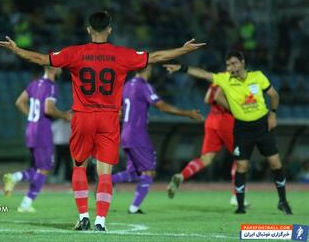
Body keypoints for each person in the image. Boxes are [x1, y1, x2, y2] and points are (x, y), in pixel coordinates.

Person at [0, 11, 205, 231]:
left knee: (79, 167)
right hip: (109, 119)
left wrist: (16, 49)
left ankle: (84, 216)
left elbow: (40, 59)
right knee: (105, 173)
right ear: (110, 30)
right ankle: (100, 221)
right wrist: (183, 50)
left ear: (88, 29)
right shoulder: (121, 54)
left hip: (83, 118)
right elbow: (155, 57)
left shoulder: (75, 53)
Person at [165, 50, 292, 215]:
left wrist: (273, 114)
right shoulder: (225, 79)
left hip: (254, 125)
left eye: (233, 63)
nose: (230, 67)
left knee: (274, 163)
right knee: (240, 163)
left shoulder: (258, 76)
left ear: (242, 62)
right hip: (237, 125)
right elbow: (203, 74)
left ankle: (282, 201)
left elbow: (274, 95)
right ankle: (238, 203)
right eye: (228, 65)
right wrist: (181, 68)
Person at [112, 65, 203, 214]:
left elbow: (120, 109)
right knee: (149, 172)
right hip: (137, 134)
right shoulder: (144, 86)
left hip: (126, 133)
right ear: (148, 69)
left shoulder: (127, 85)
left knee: (134, 173)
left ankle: (107, 181)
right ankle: (133, 208)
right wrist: (188, 113)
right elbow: (162, 107)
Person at [166, 84, 250, 207]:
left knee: (206, 159)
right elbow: (218, 97)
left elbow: (207, 99)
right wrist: (236, 109)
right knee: (241, 157)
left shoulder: (216, 81)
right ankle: (237, 196)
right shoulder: (231, 80)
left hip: (211, 120)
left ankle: (182, 176)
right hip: (227, 120)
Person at [3, 66, 71, 213]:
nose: (61, 68)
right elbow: (49, 109)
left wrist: (31, 117)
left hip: (31, 129)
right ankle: (15, 177)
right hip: (42, 131)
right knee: (46, 168)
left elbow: (19, 102)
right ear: (53, 68)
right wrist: (65, 115)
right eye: (59, 66)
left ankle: (26, 204)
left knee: (40, 168)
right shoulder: (51, 87)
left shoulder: (34, 84)